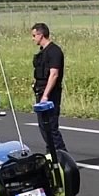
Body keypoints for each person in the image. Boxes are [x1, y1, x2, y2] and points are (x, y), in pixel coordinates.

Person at [30, 23, 67, 153]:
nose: (33, 38)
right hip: (41, 92)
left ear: (41, 35)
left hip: (50, 94)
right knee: (44, 127)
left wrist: (45, 96)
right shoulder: (42, 52)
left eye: (34, 35)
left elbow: (54, 74)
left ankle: (62, 154)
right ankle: (51, 154)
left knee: (51, 127)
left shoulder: (54, 51)